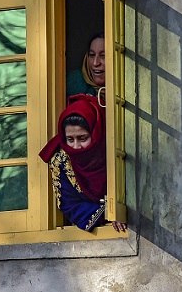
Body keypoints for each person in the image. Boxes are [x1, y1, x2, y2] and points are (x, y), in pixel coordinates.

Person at [39, 93, 126, 232]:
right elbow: (69, 204)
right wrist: (108, 212)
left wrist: (120, 210)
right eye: (70, 139)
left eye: (82, 138)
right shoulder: (60, 159)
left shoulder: (116, 148)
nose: (76, 146)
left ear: (96, 133)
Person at [66, 33, 105, 99]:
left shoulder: (125, 88)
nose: (95, 63)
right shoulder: (73, 83)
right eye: (92, 55)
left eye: (103, 56)